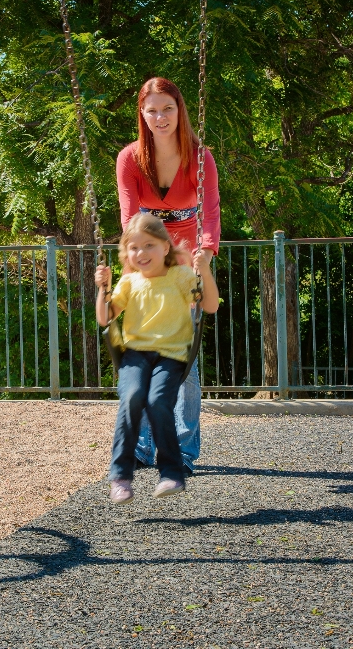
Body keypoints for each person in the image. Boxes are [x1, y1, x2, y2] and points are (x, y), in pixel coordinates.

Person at [116, 77, 220, 476]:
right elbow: (129, 217)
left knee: (184, 359)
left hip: (188, 259)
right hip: (149, 260)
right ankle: (142, 447)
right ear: (142, 114)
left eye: (168, 109)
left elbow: (209, 212)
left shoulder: (199, 157)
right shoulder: (130, 159)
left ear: (180, 111)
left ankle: (185, 449)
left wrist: (205, 253)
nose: (160, 117)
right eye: (152, 110)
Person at [95, 213, 219, 504]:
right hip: (135, 355)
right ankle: (121, 477)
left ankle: (171, 473)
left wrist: (205, 271)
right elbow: (104, 318)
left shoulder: (181, 276)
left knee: (157, 402)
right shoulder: (129, 282)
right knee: (132, 397)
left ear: (165, 247)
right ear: (127, 253)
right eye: (134, 248)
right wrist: (102, 289)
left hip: (172, 355)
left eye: (149, 245)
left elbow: (210, 305)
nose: (141, 253)